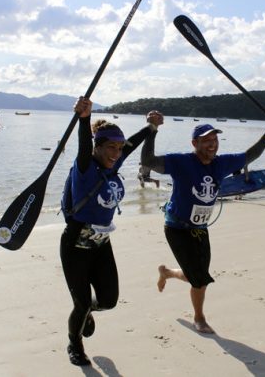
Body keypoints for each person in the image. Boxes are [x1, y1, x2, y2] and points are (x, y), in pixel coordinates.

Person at [141, 116, 265, 334]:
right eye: (206, 140)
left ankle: (167, 272)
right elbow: (149, 161)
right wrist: (152, 129)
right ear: (194, 143)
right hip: (177, 228)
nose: (212, 143)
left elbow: (250, 156)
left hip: (200, 229)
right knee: (200, 279)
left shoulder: (221, 164)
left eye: (215, 139)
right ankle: (199, 318)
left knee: (196, 275)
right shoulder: (181, 162)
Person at [60, 97, 163, 366]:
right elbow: (83, 144)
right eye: (110, 148)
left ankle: (85, 311)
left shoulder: (113, 162)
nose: (116, 153)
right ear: (97, 147)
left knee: (108, 301)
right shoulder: (85, 167)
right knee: (81, 303)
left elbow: (131, 144)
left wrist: (151, 127)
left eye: (118, 148)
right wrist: (84, 118)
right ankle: (75, 343)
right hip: (75, 245)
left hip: (101, 243)